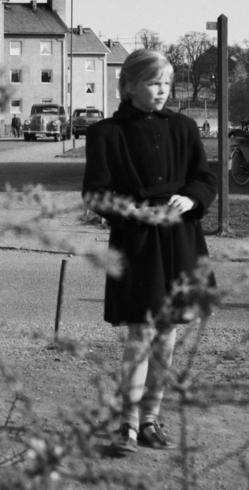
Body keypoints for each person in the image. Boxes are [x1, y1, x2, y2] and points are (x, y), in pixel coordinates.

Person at [81, 49, 216, 456]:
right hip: (138, 240)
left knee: (168, 332)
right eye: (154, 83)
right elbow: (96, 193)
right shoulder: (105, 133)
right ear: (129, 86)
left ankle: (151, 419)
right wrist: (133, 212)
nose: (162, 91)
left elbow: (204, 178)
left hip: (180, 237)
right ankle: (128, 423)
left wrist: (191, 199)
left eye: (167, 84)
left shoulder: (184, 127)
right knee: (140, 332)